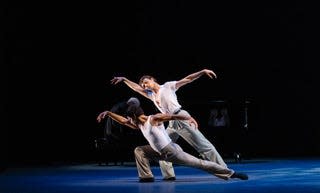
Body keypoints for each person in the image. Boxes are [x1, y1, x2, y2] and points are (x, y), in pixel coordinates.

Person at [110, 68, 229, 180]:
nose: (144, 86)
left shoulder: (167, 86)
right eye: (143, 85)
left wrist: (202, 72)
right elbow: (136, 88)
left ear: (152, 79)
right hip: (171, 122)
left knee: (203, 146)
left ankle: (224, 169)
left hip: (180, 117)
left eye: (146, 82)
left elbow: (187, 79)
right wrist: (125, 79)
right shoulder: (151, 95)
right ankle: (169, 176)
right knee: (162, 148)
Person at [99, 104, 248, 182]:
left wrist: (188, 119)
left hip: (171, 151)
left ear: (134, 115)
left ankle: (231, 173)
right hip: (158, 151)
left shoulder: (153, 119)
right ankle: (146, 177)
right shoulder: (138, 124)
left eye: (129, 117)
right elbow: (124, 121)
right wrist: (109, 113)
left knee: (200, 164)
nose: (128, 120)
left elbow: (171, 116)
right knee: (139, 150)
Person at [96, 97, 141, 165]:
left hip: (109, 132)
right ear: (132, 104)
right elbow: (117, 123)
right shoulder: (124, 108)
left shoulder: (120, 105)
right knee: (133, 140)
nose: (134, 110)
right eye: (135, 107)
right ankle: (136, 159)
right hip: (113, 133)